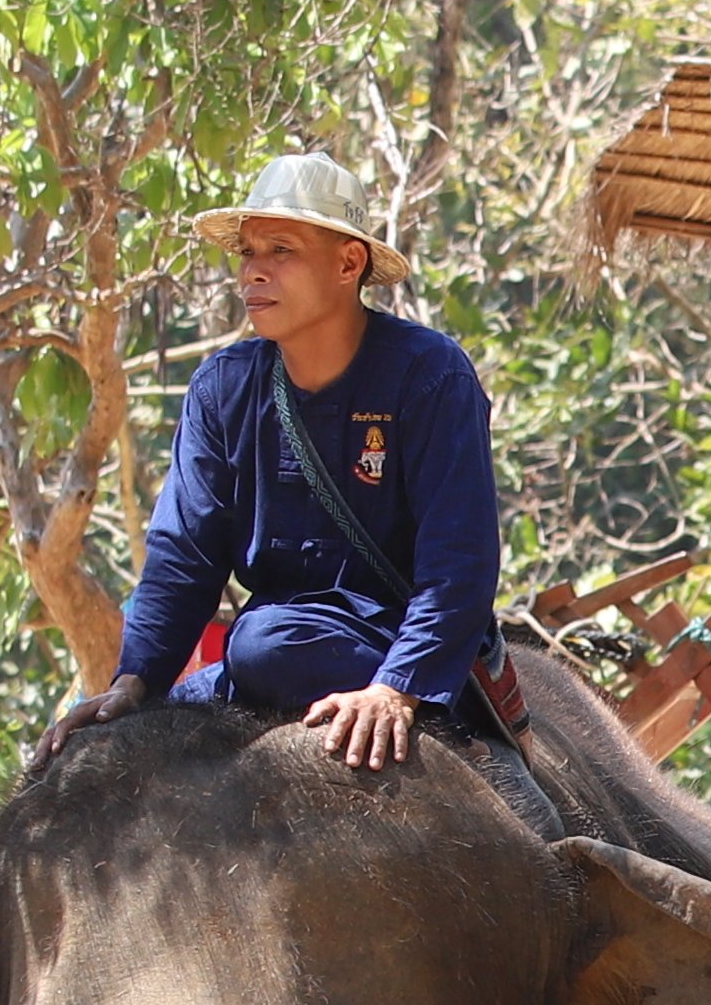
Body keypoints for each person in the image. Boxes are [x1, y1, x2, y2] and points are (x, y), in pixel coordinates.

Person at [86, 152, 502, 774]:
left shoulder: (430, 375)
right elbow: (182, 558)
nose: (253, 272)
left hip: (388, 641)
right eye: (247, 253)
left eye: (280, 250)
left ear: (348, 262)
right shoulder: (222, 388)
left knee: (263, 644)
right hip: (274, 644)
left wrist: (397, 686)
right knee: (103, 744)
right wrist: (134, 680)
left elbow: (459, 559)